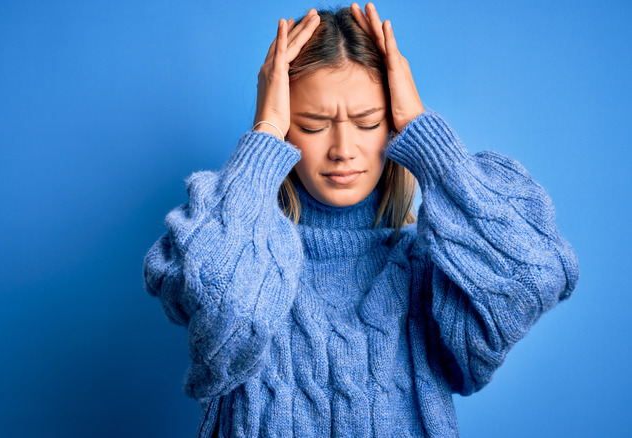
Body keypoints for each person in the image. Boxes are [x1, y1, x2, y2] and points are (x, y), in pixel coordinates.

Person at [142, 3, 580, 437]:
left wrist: (426, 138)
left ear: (391, 127)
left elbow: (534, 275)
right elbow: (227, 316)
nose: (343, 149)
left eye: (368, 122)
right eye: (313, 125)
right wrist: (264, 133)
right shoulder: (239, 252)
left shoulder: (427, 267)